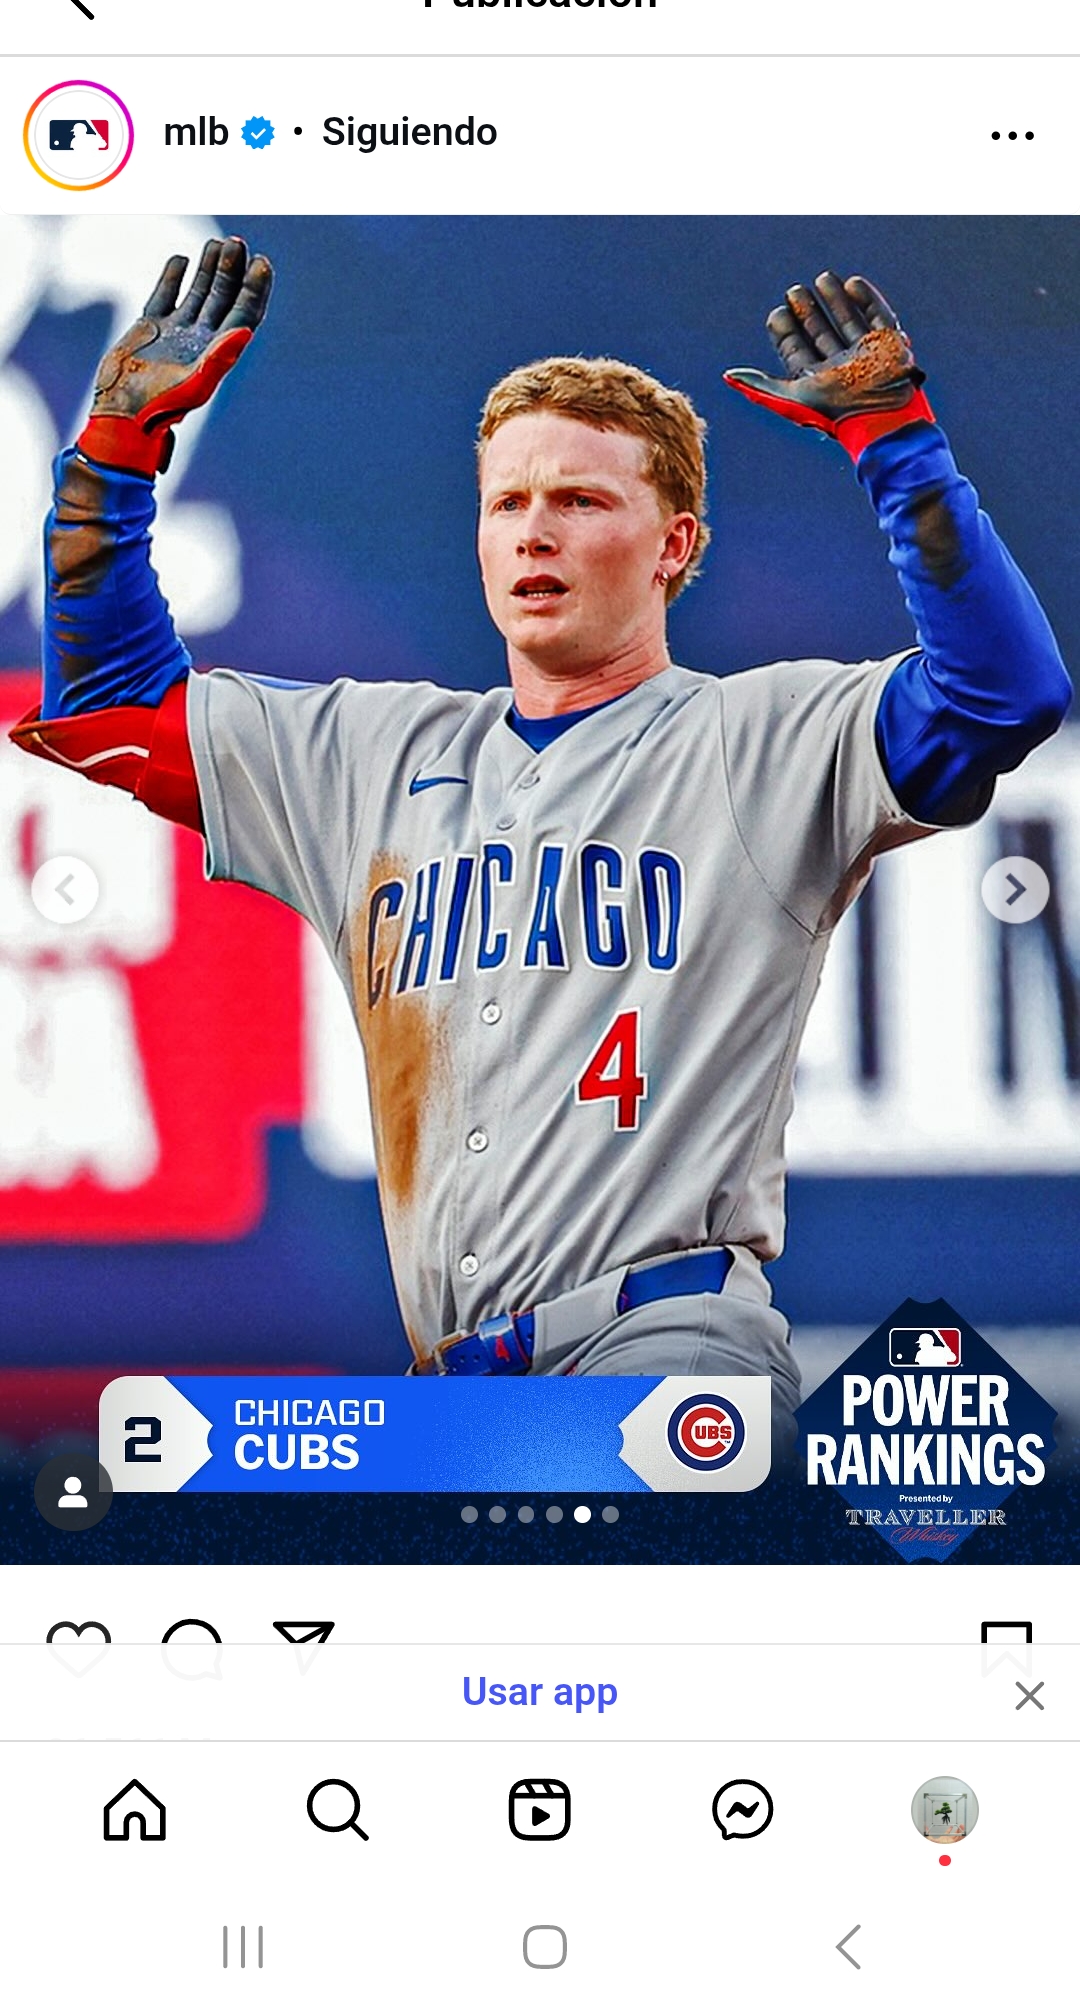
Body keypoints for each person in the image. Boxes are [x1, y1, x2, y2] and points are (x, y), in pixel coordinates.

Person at [11, 238, 1071, 1438]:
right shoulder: (367, 757)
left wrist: (898, 446)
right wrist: (114, 454)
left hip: (666, 1351)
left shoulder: (760, 739)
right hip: (455, 1386)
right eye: (507, 503)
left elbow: (1002, 693)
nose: (534, 531)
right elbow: (107, 710)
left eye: (581, 501)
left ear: (674, 546)